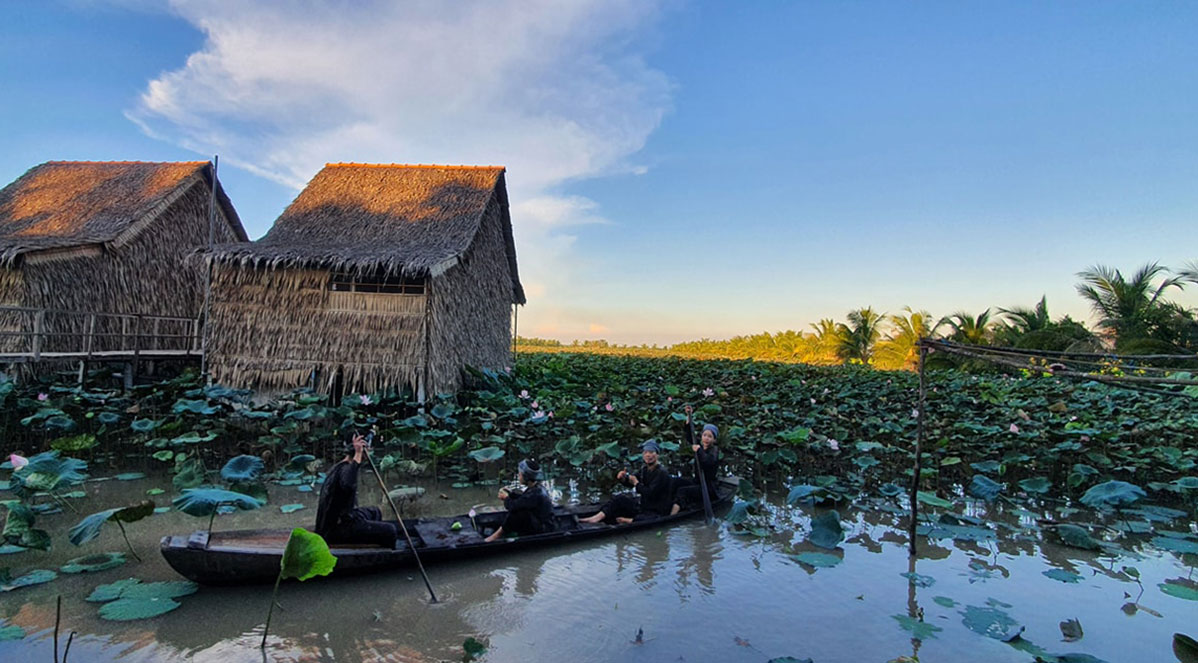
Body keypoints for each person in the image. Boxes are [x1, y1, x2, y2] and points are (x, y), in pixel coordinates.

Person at [314, 429, 399, 548]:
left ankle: (372, 543)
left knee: (375, 512)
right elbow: (348, 484)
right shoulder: (345, 469)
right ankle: (387, 554)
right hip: (336, 529)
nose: (370, 451)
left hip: (346, 517)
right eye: (368, 449)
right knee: (391, 530)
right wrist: (358, 453)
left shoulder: (343, 466)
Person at [579, 440, 672, 524]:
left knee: (651, 519)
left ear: (657, 455)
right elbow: (631, 482)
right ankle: (596, 518)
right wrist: (624, 478)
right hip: (643, 506)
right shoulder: (644, 469)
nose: (648, 455)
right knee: (619, 499)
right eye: (646, 453)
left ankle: (628, 520)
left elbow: (649, 493)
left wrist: (636, 483)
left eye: (651, 452)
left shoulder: (662, 473)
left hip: (656, 510)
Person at [484, 458, 555, 542]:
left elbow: (514, 506)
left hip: (543, 528)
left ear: (526, 477)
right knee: (519, 510)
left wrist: (506, 498)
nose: (518, 476)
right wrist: (510, 494)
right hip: (540, 522)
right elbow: (523, 500)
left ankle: (496, 536)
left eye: (520, 474)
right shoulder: (536, 488)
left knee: (517, 513)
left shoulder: (536, 493)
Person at [671, 404, 720, 515]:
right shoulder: (700, 445)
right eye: (704, 435)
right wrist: (689, 415)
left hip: (708, 488)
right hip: (697, 481)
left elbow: (708, 462)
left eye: (710, 437)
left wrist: (699, 451)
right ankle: (671, 503)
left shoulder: (714, 451)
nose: (706, 438)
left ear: (714, 440)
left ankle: (674, 514)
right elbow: (689, 435)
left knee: (682, 491)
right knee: (675, 482)